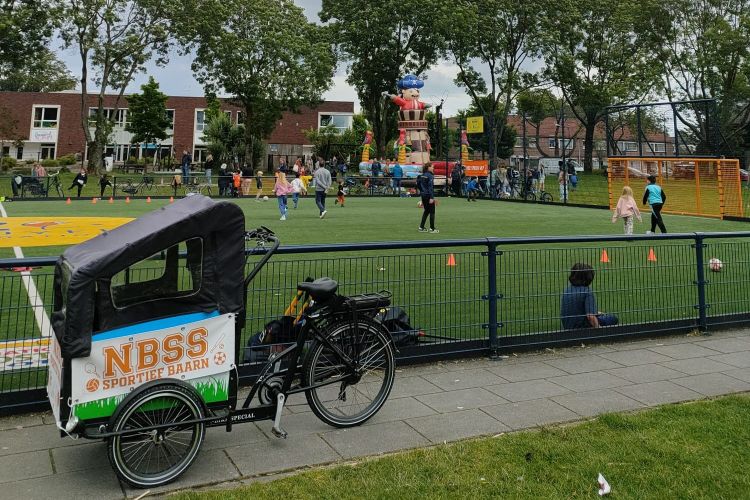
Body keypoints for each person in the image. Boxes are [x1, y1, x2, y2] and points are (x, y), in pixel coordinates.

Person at [560, 263, 618, 329]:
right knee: (612, 318)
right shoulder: (587, 291)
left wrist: (597, 313)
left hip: (568, 326)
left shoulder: (567, 290)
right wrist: (599, 328)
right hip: (582, 327)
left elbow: (576, 309)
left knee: (601, 315)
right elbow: (590, 316)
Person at [418, 163, 438, 233]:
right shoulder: (430, 176)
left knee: (426, 211)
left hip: (423, 195)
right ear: (428, 168)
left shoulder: (422, 175)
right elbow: (430, 187)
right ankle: (432, 229)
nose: (433, 168)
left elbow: (418, 184)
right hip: (428, 196)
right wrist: (431, 197)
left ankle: (421, 227)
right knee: (432, 212)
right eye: (432, 167)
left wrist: (422, 191)